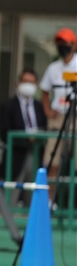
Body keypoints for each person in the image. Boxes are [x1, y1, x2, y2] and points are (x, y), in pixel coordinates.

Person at [40, 27, 77, 199]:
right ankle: (47, 203)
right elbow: (45, 92)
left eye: (66, 43)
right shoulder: (53, 68)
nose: (63, 46)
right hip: (59, 118)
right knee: (52, 161)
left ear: (74, 45)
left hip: (75, 116)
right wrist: (47, 110)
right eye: (60, 43)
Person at [0, 69, 47, 191]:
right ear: (18, 83)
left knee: (33, 196)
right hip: (15, 157)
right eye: (25, 81)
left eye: (31, 82)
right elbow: (4, 134)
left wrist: (37, 138)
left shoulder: (39, 106)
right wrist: (26, 139)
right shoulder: (7, 106)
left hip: (35, 156)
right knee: (11, 195)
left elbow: (44, 128)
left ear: (36, 85)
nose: (28, 85)